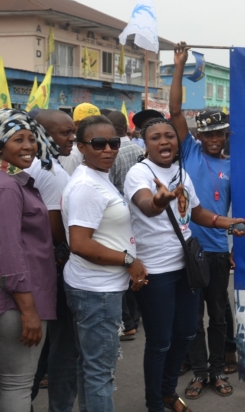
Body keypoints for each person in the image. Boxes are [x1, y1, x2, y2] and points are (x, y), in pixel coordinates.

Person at [124, 117, 245, 412]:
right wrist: (158, 202)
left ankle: (169, 392)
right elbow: (145, 204)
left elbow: (197, 213)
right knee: (160, 342)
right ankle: (154, 402)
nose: (164, 141)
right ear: (145, 142)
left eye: (169, 136)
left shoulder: (181, 172)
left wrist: (227, 223)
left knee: (186, 333)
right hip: (156, 273)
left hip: (186, 269)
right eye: (156, 137)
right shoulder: (139, 173)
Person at [0, 109, 58, 412]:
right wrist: (28, 311)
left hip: (3, 298)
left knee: (0, 381)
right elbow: (9, 253)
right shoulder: (5, 186)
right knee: (17, 385)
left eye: (31, 138)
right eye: (18, 139)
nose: (29, 146)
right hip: (14, 301)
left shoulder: (6, 179)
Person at [169, 44, 245, 399]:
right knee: (191, 319)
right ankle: (198, 372)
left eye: (221, 134)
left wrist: (233, 249)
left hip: (216, 253)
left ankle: (217, 371)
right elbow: (174, 110)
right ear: (198, 136)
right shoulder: (189, 151)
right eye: (209, 135)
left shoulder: (235, 166)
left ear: (227, 134)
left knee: (217, 317)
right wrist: (179, 67)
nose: (215, 140)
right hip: (187, 250)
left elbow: (235, 214)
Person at [61, 115, 149, 411]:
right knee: (100, 373)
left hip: (98, 287)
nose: (108, 149)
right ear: (81, 147)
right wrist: (128, 260)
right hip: (96, 291)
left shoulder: (99, 177)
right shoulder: (87, 185)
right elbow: (80, 243)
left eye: (113, 143)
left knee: (91, 368)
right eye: (98, 144)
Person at [24, 110, 79, 412]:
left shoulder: (17, 166)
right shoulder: (50, 172)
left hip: (35, 271)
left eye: (73, 131)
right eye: (65, 133)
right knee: (61, 352)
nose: (72, 138)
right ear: (42, 133)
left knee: (38, 352)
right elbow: (57, 229)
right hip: (53, 272)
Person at [103, 110, 144, 340]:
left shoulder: (112, 155)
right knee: (132, 265)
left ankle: (127, 321)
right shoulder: (138, 149)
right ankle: (134, 318)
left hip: (119, 218)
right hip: (137, 216)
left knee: (123, 266)